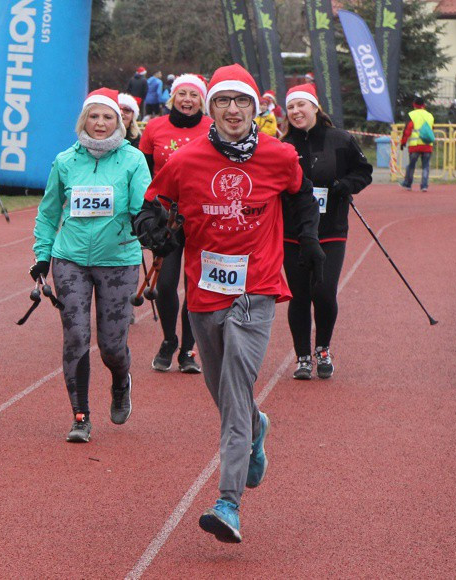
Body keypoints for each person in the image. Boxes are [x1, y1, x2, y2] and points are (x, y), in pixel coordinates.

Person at [134, 64, 324, 543]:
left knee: (237, 387)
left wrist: (308, 238)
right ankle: (256, 427)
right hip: (202, 292)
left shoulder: (278, 156)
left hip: (255, 289)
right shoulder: (185, 160)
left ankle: (228, 502)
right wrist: (153, 225)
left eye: (241, 101)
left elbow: (301, 196)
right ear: (211, 109)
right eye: (223, 102)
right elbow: (155, 202)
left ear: (255, 108)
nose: (233, 110)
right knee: (225, 395)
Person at [31, 88, 151, 443]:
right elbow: (49, 213)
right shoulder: (65, 160)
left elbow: (141, 208)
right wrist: (41, 255)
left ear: (120, 122)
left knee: (112, 346)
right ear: (84, 120)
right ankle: (80, 415)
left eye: (108, 117)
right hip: (70, 261)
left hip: (119, 260)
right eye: (94, 116)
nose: (100, 123)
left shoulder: (133, 160)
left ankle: (120, 380)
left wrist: (151, 230)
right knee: (76, 339)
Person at [282, 83, 373, 379]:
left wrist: (345, 186)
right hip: (292, 231)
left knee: (323, 291)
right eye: (291, 107)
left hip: (331, 228)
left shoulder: (341, 140)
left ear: (315, 107)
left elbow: (363, 172)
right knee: (299, 295)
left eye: (301, 105)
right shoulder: (282, 146)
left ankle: (323, 347)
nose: (296, 111)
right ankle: (303, 357)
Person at [139, 74, 213, 373]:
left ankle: (187, 350)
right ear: (172, 97)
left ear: (202, 100)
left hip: (203, 217)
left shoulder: (212, 128)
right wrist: (145, 212)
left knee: (196, 286)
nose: (187, 100)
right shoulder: (155, 127)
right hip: (166, 218)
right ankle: (169, 340)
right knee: (166, 285)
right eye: (182, 94)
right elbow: (144, 173)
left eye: (194, 95)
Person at [399, 96, 434, 192]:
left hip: (415, 145)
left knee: (411, 165)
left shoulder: (412, 115)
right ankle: (424, 186)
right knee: (425, 166)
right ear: (424, 105)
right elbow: (431, 129)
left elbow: (407, 131)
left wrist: (403, 143)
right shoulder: (429, 115)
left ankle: (408, 184)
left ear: (414, 105)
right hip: (427, 145)